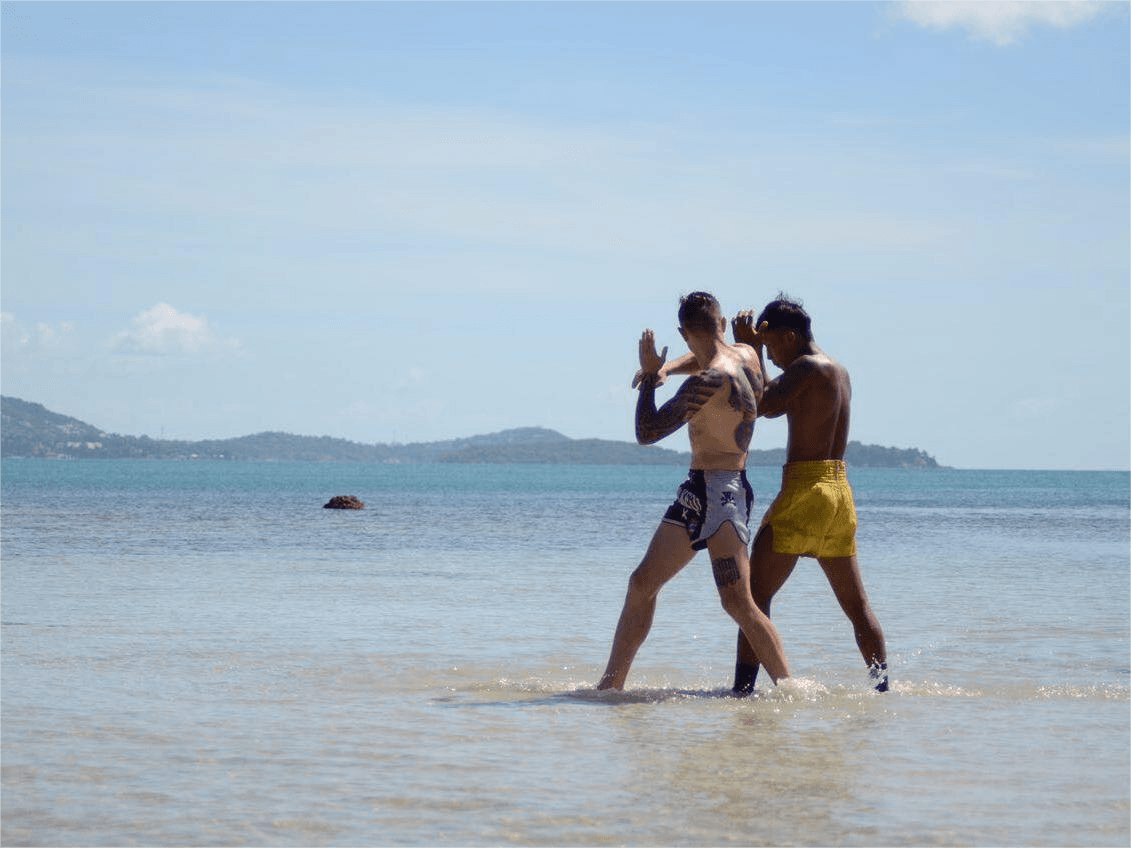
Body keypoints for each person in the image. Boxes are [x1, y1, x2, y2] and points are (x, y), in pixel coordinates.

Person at [597, 292, 791, 690]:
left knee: (737, 602)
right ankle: (610, 687)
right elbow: (703, 355)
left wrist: (650, 377)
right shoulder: (746, 355)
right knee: (642, 584)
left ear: (684, 333)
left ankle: (791, 688)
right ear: (719, 324)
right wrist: (668, 366)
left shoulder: (708, 381)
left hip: (723, 494)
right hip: (699, 490)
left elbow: (647, 433)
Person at [729, 295, 888, 693]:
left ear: (791, 335)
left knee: (753, 598)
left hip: (806, 491)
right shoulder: (840, 370)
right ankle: (883, 692)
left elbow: (762, 403)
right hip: (839, 495)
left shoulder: (805, 367)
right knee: (858, 607)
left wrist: (748, 352)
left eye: (772, 346)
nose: (773, 356)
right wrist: (758, 349)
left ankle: (741, 693)